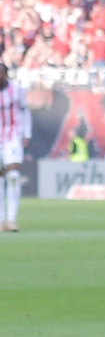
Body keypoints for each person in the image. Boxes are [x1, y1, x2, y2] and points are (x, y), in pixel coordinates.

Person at [0, 64, 31, 232]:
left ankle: (11, 219)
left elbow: (25, 111)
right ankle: (1, 219)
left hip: (13, 137)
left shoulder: (17, 90)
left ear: (6, 75)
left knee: (12, 175)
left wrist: (27, 133)